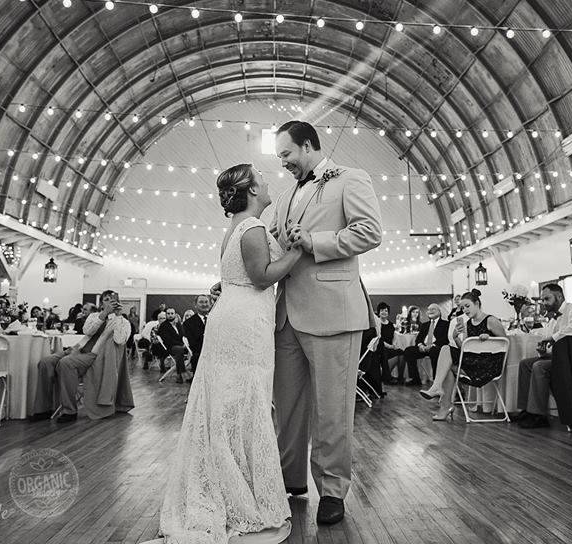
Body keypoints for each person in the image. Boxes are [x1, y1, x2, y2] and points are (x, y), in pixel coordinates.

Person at [153, 163, 302, 544]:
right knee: (243, 402)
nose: (268, 182)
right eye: (262, 178)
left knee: (229, 404)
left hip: (233, 318)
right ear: (252, 190)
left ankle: (232, 481)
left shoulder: (238, 226)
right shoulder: (251, 228)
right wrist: (298, 251)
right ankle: (236, 493)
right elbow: (262, 276)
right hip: (243, 323)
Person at [263, 120, 382, 527]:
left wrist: (316, 242)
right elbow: (274, 242)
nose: (283, 164)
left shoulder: (351, 179)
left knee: (333, 409)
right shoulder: (283, 196)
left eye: (287, 155)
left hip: (334, 310)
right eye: (280, 158)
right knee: (289, 406)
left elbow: (370, 232)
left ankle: (332, 490)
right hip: (286, 316)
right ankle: (289, 478)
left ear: (309, 145)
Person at [32, 289, 129, 423]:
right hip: (77, 348)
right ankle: (43, 408)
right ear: (101, 303)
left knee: (66, 363)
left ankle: (69, 411)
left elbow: (120, 340)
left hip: (95, 356)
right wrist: (103, 314)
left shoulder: (123, 321)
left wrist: (118, 316)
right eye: (106, 300)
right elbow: (88, 331)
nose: (110, 302)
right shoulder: (94, 316)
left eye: (113, 300)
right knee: (45, 362)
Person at [513, 283, 572, 429]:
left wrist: (552, 338)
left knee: (539, 366)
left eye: (547, 299)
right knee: (525, 363)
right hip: (562, 358)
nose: (544, 303)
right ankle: (526, 410)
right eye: (542, 299)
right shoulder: (553, 319)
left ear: (559, 296)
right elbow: (548, 340)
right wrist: (543, 351)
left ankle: (538, 415)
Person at [433, 290, 506, 421]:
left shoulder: (491, 320)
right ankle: (443, 401)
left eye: (467, 306)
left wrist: (489, 338)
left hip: (488, 367)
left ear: (477, 303)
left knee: (446, 358)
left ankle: (442, 399)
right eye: (462, 307)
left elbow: (505, 343)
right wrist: (456, 338)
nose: (465, 310)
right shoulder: (468, 324)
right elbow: (465, 349)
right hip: (472, 362)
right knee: (446, 353)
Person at [402, 303, 449, 386]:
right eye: (429, 309)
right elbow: (418, 339)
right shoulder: (424, 325)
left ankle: (436, 382)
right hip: (424, 347)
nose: (430, 311)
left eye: (433, 309)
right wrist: (420, 345)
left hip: (436, 347)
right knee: (408, 351)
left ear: (439, 312)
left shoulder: (446, 324)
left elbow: (445, 339)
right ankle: (415, 379)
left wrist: (432, 345)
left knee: (435, 352)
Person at [156, 308, 189, 383]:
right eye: (168, 313)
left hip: (182, 345)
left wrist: (185, 344)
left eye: (172, 313)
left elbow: (183, 335)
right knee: (179, 349)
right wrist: (182, 345)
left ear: (175, 314)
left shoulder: (178, 324)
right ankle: (180, 374)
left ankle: (193, 374)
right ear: (166, 315)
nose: (170, 315)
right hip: (171, 347)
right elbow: (168, 340)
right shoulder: (163, 326)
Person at [181, 294, 211, 374]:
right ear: (195, 305)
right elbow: (194, 345)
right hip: (201, 355)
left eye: (206, 302)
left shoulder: (215, 319)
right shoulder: (188, 323)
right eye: (201, 302)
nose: (204, 304)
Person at [376, 302, 404, 384]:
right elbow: (379, 339)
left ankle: (400, 377)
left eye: (386, 311)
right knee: (386, 353)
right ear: (379, 312)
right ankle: (386, 377)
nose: (384, 312)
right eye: (382, 310)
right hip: (380, 347)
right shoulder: (377, 323)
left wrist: (394, 345)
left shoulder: (391, 324)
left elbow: (394, 337)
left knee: (402, 353)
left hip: (390, 346)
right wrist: (390, 346)